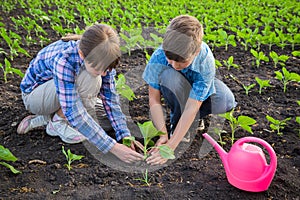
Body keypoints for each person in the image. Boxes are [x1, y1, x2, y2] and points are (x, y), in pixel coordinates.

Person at [17, 24, 144, 163]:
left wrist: (124, 135)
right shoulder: (64, 60)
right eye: (100, 69)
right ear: (82, 55)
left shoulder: (103, 58)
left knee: (104, 120)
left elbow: (111, 100)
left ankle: (45, 119)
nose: (104, 74)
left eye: (107, 69)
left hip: (64, 95)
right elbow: (73, 111)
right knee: (91, 79)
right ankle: (57, 123)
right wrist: (113, 147)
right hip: (36, 97)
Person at [142, 15, 236, 165]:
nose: (174, 65)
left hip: (195, 95)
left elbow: (193, 106)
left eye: (181, 61)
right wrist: (163, 136)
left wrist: (171, 147)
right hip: (174, 86)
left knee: (225, 100)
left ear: (196, 52)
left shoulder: (205, 61)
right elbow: (154, 99)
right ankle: (177, 122)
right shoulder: (159, 57)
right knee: (170, 76)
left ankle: (194, 121)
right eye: (170, 59)